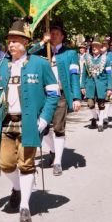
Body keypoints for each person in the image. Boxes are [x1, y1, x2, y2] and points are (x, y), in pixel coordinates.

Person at [0, 17, 60, 222]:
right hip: (5, 121)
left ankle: (25, 205)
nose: (12, 44)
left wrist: (44, 120)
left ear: (26, 42)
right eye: (10, 40)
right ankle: (17, 187)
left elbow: (53, 94)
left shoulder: (40, 64)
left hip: (31, 122)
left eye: (16, 40)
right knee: (5, 164)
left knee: (26, 163)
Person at [28, 21, 81, 176]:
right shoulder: (41, 52)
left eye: (57, 33)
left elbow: (74, 76)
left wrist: (76, 97)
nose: (53, 35)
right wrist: (42, 42)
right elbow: (28, 53)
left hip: (60, 94)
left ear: (63, 36)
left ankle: (57, 161)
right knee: (42, 127)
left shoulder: (70, 54)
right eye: (51, 33)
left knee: (58, 128)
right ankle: (52, 150)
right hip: (43, 95)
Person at [81, 36, 112, 132]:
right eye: (93, 46)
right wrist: (82, 86)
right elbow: (84, 74)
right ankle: (95, 117)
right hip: (90, 85)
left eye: (97, 46)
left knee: (101, 104)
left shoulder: (105, 59)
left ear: (100, 47)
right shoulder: (87, 59)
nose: (94, 48)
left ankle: (100, 123)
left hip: (101, 85)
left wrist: (109, 87)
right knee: (90, 104)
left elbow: (109, 74)